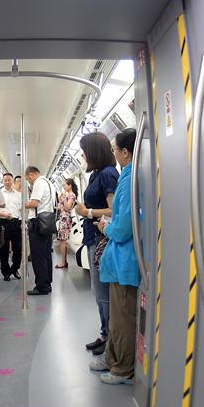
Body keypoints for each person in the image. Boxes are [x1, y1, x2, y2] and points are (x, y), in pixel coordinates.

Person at [89, 129, 140, 384]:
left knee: (123, 319)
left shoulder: (130, 180)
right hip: (120, 260)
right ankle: (112, 358)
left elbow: (124, 226)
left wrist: (105, 226)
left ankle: (123, 369)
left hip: (126, 260)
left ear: (125, 152)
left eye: (115, 150)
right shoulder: (127, 177)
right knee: (118, 318)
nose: (114, 154)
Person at [74, 132, 118, 355]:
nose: (82, 155)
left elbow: (114, 210)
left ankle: (110, 338)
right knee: (97, 291)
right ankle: (104, 333)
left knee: (103, 292)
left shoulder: (109, 174)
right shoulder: (96, 175)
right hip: (92, 235)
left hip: (102, 237)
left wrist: (88, 211)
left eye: (84, 151)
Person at [23, 166, 54, 295]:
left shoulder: (38, 183)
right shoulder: (49, 183)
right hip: (48, 221)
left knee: (38, 256)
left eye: (27, 179)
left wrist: (22, 204)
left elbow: (34, 203)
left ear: (31, 175)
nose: (29, 182)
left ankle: (41, 286)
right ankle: (47, 283)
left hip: (38, 223)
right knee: (46, 254)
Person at [0, 172, 22, 281]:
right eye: (5, 180)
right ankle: (5, 272)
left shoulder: (18, 194)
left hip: (16, 222)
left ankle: (15, 268)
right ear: (3, 181)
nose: (7, 182)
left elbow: (21, 209)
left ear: (13, 181)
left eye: (9, 180)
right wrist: (3, 214)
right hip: (3, 222)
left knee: (18, 249)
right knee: (4, 249)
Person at [54, 178, 78, 269]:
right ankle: (64, 261)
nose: (63, 187)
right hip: (63, 218)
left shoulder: (71, 195)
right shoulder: (67, 195)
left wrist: (63, 199)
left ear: (70, 185)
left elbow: (67, 208)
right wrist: (61, 200)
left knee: (62, 241)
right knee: (61, 240)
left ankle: (63, 262)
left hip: (65, 219)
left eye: (65, 185)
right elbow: (61, 208)